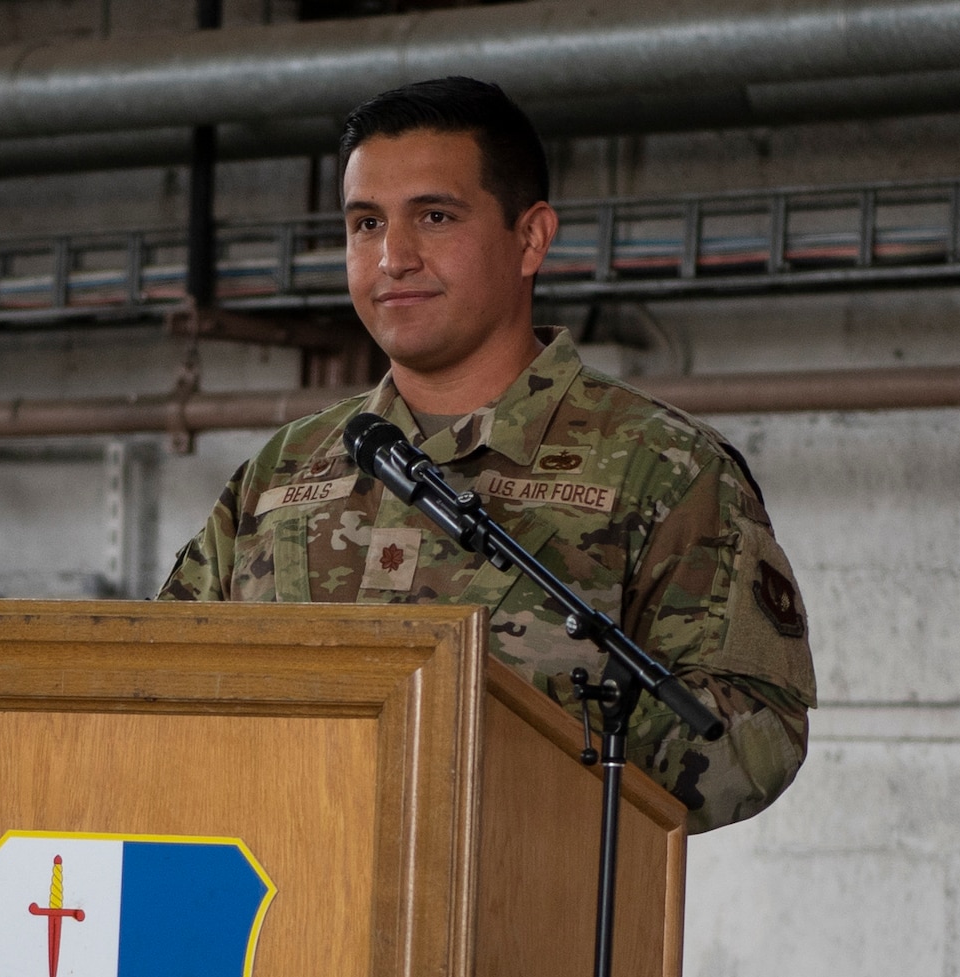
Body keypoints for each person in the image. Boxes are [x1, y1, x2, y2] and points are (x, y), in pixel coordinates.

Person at [156, 77, 814, 833]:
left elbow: (753, 739)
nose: (392, 257)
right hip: (292, 919)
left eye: (434, 216)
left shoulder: (662, 468)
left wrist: (490, 753)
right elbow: (160, 688)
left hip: (521, 919)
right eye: (365, 223)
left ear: (530, 238)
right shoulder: (284, 471)